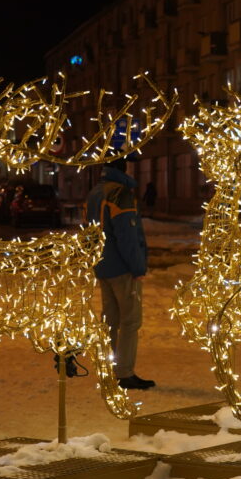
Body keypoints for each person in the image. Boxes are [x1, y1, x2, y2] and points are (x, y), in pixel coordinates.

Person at [86, 158, 156, 390]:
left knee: (110, 319)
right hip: (122, 267)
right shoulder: (121, 194)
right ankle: (124, 372)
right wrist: (137, 267)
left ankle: (108, 367)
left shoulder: (95, 192)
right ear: (124, 170)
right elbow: (126, 236)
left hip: (102, 264)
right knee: (130, 320)